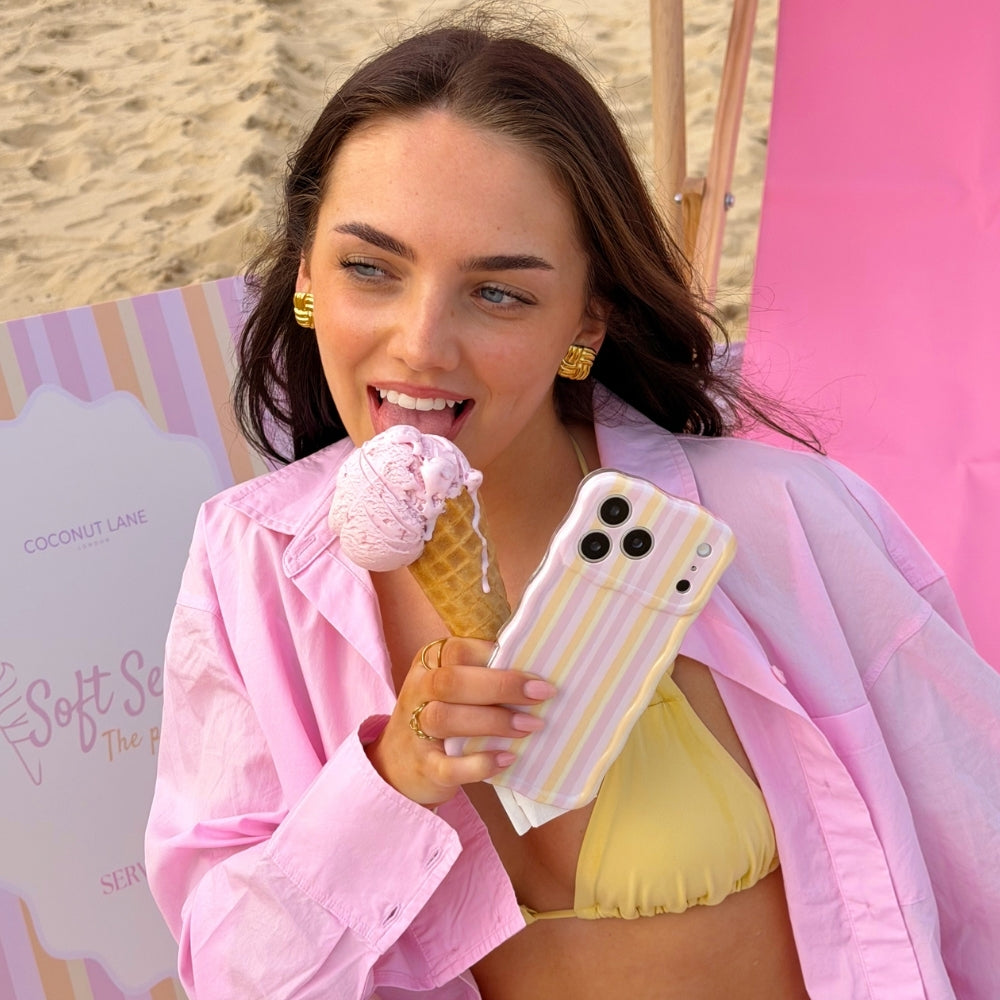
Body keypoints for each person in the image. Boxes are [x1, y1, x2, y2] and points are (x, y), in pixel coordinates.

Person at [144, 8, 1000, 999]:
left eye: (498, 292)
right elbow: (231, 975)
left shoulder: (786, 527)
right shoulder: (249, 562)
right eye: (369, 269)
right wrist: (393, 778)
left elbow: (980, 852)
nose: (421, 343)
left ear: (585, 318)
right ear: (305, 277)